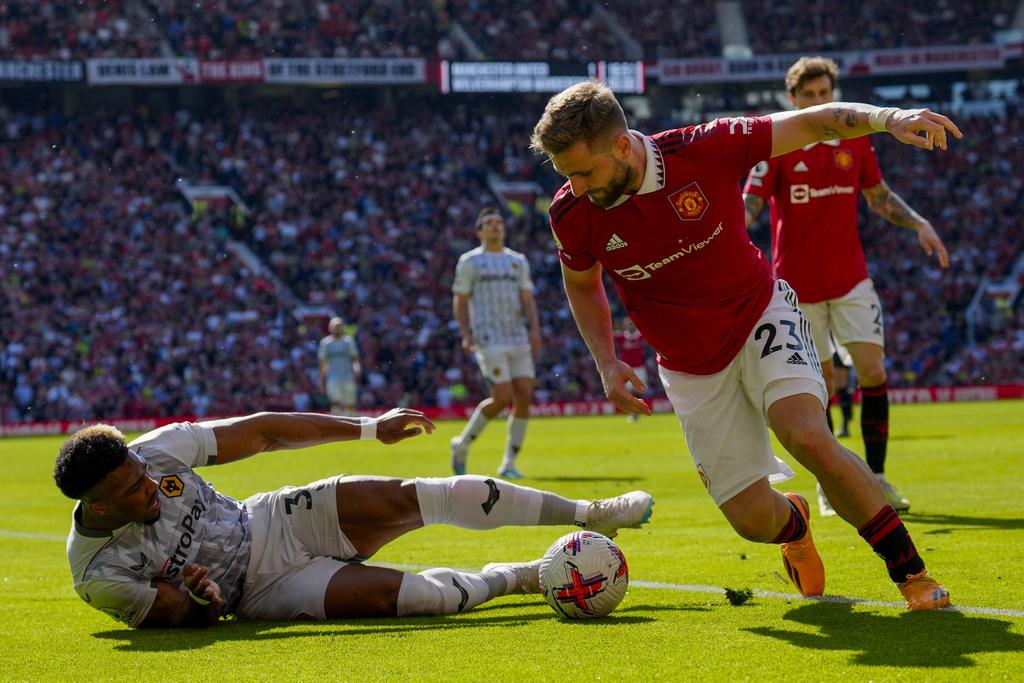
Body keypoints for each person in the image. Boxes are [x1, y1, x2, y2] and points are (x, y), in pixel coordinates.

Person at [530, 80, 960, 610]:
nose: (574, 187)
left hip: (759, 313)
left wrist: (889, 118)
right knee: (753, 521)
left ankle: (912, 574)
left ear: (622, 146)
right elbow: (581, 284)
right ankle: (796, 522)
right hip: (689, 366)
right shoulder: (570, 213)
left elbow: (812, 122)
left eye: (583, 173)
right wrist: (605, 360)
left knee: (805, 434)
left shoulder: (705, 147)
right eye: (565, 175)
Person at [54, 409, 654, 628]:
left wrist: (370, 428)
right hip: (261, 592)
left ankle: (593, 514)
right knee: (423, 601)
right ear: (99, 505)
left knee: (415, 495)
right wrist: (200, 601)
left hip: (271, 522)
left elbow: (263, 432)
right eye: (132, 489)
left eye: (141, 471)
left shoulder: (156, 451)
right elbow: (188, 618)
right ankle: (518, 576)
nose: (149, 485)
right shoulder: (99, 573)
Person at [742, 56, 949, 516]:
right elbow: (749, 205)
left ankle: (877, 477)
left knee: (872, 370)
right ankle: (831, 484)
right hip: (797, 288)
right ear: (792, 99)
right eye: (809, 95)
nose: (818, 101)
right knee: (823, 385)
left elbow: (879, 197)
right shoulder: (776, 148)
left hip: (850, 278)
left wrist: (919, 223)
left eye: (824, 94)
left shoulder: (855, 143)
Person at [450, 207, 542, 479]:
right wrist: (465, 333)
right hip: (488, 338)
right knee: (502, 397)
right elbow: (461, 300)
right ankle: (462, 443)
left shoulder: (517, 261)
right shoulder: (470, 261)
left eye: (498, 222)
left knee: (524, 395)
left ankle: (509, 463)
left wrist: (535, 330)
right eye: (489, 223)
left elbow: (527, 299)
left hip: (517, 335)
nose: (495, 226)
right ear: (479, 231)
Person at [318, 317, 361, 415]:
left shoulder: (349, 341)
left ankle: (351, 422)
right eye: (336, 326)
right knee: (336, 403)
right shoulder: (325, 343)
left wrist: (357, 368)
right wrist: (321, 380)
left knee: (350, 404)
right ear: (330, 328)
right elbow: (323, 363)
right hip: (333, 377)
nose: (338, 328)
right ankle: (337, 423)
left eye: (339, 326)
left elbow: (354, 359)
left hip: (348, 376)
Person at [613, 316, 651, 422]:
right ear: (624, 326)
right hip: (627, 368)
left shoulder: (639, 336)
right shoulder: (621, 337)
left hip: (639, 368)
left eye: (632, 323)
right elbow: (610, 335)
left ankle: (635, 411)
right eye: (628, 323)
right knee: (630, 391)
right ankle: (634, 412)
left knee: (638, 390)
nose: (630, 325)